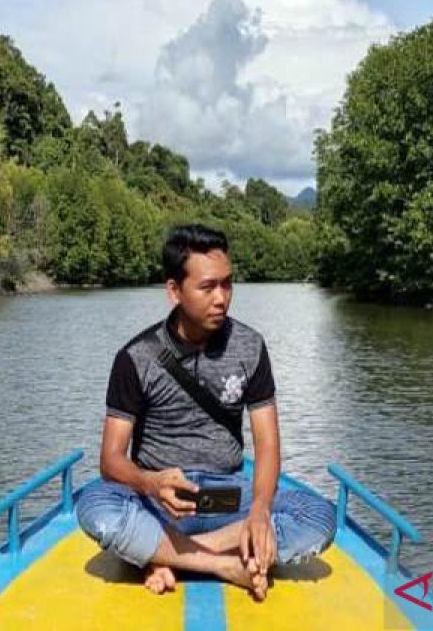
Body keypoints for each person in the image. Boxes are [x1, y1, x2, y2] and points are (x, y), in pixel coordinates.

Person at [76, 224, 336, 600]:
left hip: (227, 498)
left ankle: (167, 556)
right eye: (208, 287)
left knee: (319, 516)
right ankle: (224, 563)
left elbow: (267, 445)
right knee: (95, 505)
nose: (222, 298)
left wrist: (260, 511)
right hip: (159, 502)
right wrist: (152, 483)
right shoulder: (135, 358)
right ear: (174, 291)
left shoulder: (250, 347)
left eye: (228, 284)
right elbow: (111, 459)